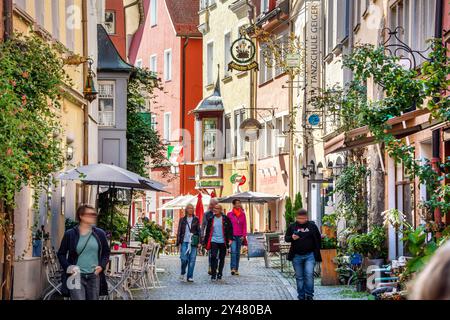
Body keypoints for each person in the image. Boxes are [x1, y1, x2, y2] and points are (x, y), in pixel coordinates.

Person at [57, 204, 110, 300]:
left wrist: (101, 266)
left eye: (94, 214)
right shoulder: (70, 234)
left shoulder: (100, 233)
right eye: (90, 214)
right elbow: (61, 254)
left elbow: (106, 253)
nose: (93, 216)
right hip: (75, 276)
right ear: (81, 216)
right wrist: (69, 267)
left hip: (94, 276)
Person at [285, 209, 322, 300]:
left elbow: (318, 238)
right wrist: (292, 238)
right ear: (296, 218)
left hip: (310, 255)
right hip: (296, 256)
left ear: (307, 218)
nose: (301, 220)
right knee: (299, 277)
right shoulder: (292, 226)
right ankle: (301, 296)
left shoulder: (312, 226)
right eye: (299, 218)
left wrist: (316, 252)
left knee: (309, 274)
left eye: (303, 218)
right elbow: (286, 238)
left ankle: (309, 295)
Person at [203, 204, 233, 281]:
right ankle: (213, 274)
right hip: (213, 240)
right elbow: (208, 231)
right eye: (214, 208)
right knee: (213, 256)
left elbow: (230, 229)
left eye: (217, 208)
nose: (215, 210)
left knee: (222, 258)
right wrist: (205, 242)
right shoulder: (211, 219)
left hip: (223, 241)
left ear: (220, 210)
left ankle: (220, 273)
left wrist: (230, 239)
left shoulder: (225, 219)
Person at [176, 204, 201, 282]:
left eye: (192, 208)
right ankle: (183, 272)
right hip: (184, 242)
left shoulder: (196, 219)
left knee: (192, 260)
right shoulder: (182, 219)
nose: (191, 210)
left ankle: (190, 276)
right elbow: (179, 231)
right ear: (186, 210)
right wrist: (178, 243)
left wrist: (199, 242)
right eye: (189, 208)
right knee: (184, 259)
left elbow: (199, 231)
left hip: (193, 242)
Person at [227, 199, 247, 276]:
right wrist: (228, 236)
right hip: (232, 236)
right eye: (237, 203)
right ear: (234, 205)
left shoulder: (243, 214)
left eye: (239, 203)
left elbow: (244, 225)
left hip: (240, 236)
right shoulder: (229, 214)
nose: (238, 204)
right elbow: (228, 226)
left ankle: (236, 269)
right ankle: (232, 268)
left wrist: (244, 235)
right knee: (233, 252)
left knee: (238, 253)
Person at [202, 198, 219, 275]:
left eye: (213, 204)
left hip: (219, 236)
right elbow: (203, 225)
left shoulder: (220, 214)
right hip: (210, 237)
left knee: (217, 253)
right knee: (211, 253)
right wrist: (202, 235)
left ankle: (216, 266)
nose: (211, 206)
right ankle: (210, 266)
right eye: (210, 204)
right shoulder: (206, 214)